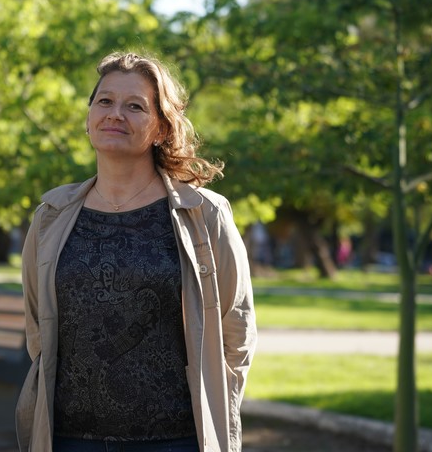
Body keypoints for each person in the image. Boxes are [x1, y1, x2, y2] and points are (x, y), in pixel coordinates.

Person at [15, 52, 257, 452]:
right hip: (69, 439)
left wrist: (219, 412)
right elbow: (37, 327)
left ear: (161, 128)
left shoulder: (203, 214)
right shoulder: (50, 217)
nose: (115, 114)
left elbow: (237, 334)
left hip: (175, 440)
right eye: (105, 102)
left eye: (135, 106)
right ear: (89, 116)